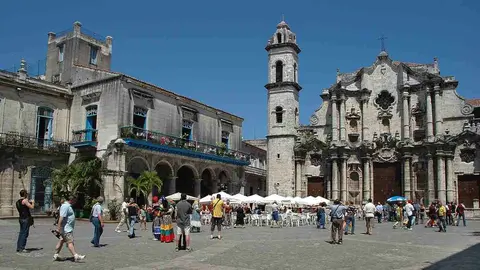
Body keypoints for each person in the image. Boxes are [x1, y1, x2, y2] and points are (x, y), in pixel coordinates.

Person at [53, 195, 85, 262]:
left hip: (66, 228)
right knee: (70, 242)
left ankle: (56, 255)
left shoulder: (67, 206)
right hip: (66, 228)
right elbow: (61, 217)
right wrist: (58, 228)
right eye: (75, 200)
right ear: (72, 200)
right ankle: (76, 255)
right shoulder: (66, 206)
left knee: (61, 241)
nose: (75, 202)